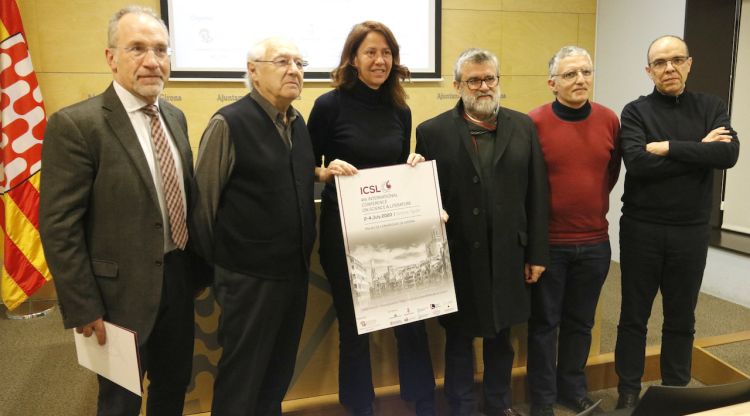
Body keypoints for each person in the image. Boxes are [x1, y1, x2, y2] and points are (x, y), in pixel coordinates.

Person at [39, 6, 203, 415]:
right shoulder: (77, 126)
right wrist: (83, 304)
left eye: (161, 50)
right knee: (120, 402)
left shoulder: (175, 117)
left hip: (177, 284)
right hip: (115, 298)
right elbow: (60, 226)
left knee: (173, 386)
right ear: (111, 58)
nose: (152, 61)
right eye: (137, 49)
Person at [307, 21, 436, 416]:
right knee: (356, 327)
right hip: (343, 233)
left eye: (387, 53)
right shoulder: (328, 105)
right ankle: (360, 407)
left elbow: (396, 167)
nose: (380, 60)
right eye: (371, 52)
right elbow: (305, 166)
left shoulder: (401, 109)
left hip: (393, 229)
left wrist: (412, 164)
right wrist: (325, 172)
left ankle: (424, 402)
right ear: (353, 59)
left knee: (410, 320)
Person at [415, 48, 549, 416]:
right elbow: (425, 198)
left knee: (501, 338)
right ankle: (459, 407)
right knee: (458, 340)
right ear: (458, 85)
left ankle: (498, 405)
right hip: (458, 257)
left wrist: (537, 253)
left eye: (490, 78)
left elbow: (537, 193)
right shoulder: (431, 132)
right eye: (474, 80)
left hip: (510, 254)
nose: (484, 86)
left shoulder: (523, 126)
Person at [191, 37, 316, 416]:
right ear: (252, 70)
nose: (293, 70)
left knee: (277, 374)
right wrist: (223, 272)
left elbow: (286, 178)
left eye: (299, 62)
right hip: (247, 278)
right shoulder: (228, 123)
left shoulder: (297, 122)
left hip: (292, 274)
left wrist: (323, 173)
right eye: (281, 61)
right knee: (242, 378)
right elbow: (203, 206)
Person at [614, 35, 740, 409]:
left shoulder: (711, 106)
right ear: (648, 70)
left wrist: (667, 146)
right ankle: (627, 392)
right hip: (642, 228)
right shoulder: (635, 112)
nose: (669, 68)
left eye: (676, 60)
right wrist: (700, 149)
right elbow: (637, 163)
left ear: (689, 63)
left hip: (690, 231)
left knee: (681, 316)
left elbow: (728, 153)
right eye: (660, 62)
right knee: (633, 315)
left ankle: (675, 390)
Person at [526, 46, 620, 416]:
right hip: (549, 245)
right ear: (552, 83)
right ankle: (543, 399)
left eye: (586, 72)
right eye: (570, 74)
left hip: (595, 243)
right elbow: (527, 185)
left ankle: (573, 390)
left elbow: (609, 173)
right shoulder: (532, 122)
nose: (580, 80)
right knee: (544, 326)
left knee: (581, 324)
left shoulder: (609, 119)